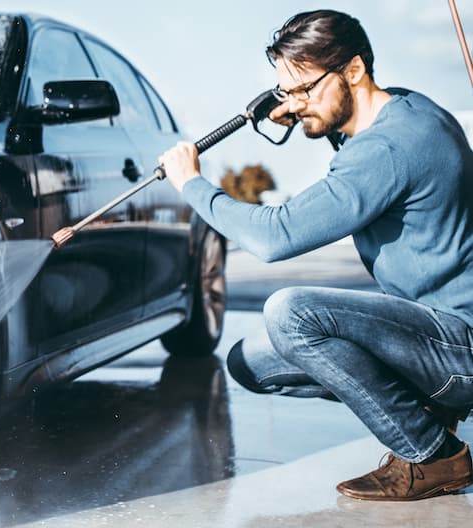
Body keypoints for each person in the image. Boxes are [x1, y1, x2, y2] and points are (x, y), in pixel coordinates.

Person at [158, 9, 473, 501]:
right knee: (249, 362)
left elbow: (275, 237)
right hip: (433, 332)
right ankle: (426, 407)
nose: (294, 103)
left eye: (304, 89)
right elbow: (363, 156)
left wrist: (193, 185)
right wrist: (313, 111)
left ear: (353, 71)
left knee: (292, 315)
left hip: (460, 348)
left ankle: (432, 455)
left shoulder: (390, 149)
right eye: (287, 91)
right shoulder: (408, 109)